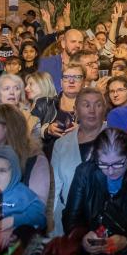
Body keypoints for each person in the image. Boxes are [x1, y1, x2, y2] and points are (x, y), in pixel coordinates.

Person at [61, 127, 127, 255]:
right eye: (103, 164)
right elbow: (71, 217)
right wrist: (83, 237)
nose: (110, 171)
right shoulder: (84, 172)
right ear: (96, 157)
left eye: (118, 164)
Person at [0, 103, 52, 221]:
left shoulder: (35, 160)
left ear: (8, 128)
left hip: (22, 232)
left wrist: (9, 222)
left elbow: (37, 210)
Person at [50, 85, 109, 227]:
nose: (92, 110)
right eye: (86, 105)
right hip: (68, 217)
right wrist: (50, 220)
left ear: (104, 110)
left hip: (108, 216)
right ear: (76, 110)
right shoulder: (61, 144)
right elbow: (55, 186)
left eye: (98, 105)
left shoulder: (115, 137)